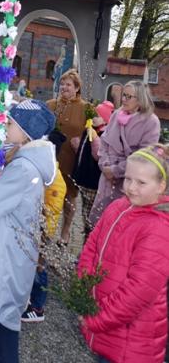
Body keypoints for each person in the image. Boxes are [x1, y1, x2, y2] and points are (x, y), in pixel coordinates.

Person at [0, 99, 56, 363]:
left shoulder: (23, 167)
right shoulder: (26, 161)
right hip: (9, 250)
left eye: (11, 123)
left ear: (26, 131)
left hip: (6, 254)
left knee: (2, 318)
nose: (5, 127)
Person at [78, 144, 169, 363]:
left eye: (141, 182)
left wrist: (96, 319)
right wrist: (84, 284)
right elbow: (92, 246)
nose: (131, 188)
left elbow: (138, 292)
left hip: (131, 339)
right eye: (128, 179)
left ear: (161, 186)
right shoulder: (118, 206)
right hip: (109, 328)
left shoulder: (158, 229)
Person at [89, 80, 160, 228]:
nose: (124, 99)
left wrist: (116, 170)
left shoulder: (151, 122)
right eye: (124, 95)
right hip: (106, 177)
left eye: (129, 96)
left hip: (129, 181)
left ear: (140, 99)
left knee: (120, 222)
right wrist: (105, 165)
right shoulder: (116, 115)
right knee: (99, 221)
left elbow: (144, 156)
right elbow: (104, 142)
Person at [21, 128, 67, 324]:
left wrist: (34, 208)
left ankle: (38, 307)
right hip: (34, 228)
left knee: (39, 268)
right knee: (30, 266)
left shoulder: (55, 177)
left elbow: (53, 208)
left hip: (43, 231)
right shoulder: (45, 170)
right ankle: (27, 299)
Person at [47, 68, 87, 244]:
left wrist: (82, 142)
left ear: (77, 88)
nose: (64, 87)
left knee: (69, 197)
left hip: (71, 159)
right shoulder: (51, 105)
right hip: (51, 158)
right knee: (49, 194)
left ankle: (65, 231)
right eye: (62, 84)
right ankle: (47, 229)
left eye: (68, 85)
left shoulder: (86, 108)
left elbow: (93, 134)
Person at [70, 100, 113, 236]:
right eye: (93, 115)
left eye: (97, 116)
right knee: (85, 209)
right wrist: (77, 145)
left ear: (105, 120)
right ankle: (87, 231)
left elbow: (98, 156)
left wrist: (94, 139)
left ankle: (90, 234)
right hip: (83, 178)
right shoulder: (88, 130)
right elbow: (84, 152)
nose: (93, 118)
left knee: (90, 211)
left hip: (93, 181)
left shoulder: (104, 135)